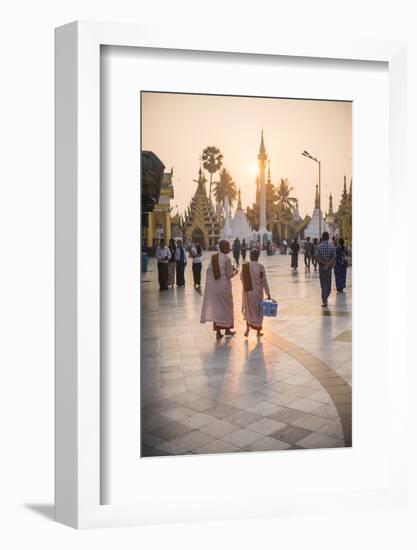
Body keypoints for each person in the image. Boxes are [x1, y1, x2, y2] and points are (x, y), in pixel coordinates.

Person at [200, 240, 238, 339]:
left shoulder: (214, 257)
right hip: (225, 287)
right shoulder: (227, 259)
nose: (229, 248)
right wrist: (236, 272)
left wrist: (213, 281)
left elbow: (209, 270)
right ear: (224, 247)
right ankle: (227, 330)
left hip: (216, 287)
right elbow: (229, 274)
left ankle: (218, 332)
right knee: (227, 308)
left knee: (217, 308)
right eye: (228, 246)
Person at [241, 248, 271, 338]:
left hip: (248, 292)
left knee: (248, 311)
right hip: (258, 293)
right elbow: (264, 281)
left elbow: (242, 278)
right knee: (258, 312)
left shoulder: (246, 266)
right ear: (258, 256)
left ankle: (247, 329)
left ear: (251, 256)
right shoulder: (261, 267)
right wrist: (268, 293)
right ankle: (258, 332)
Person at [315, 231, 336, 307]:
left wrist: (324, 263)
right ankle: (325, 297)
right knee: (328, 282)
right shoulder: (332, 246)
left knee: (323, 283)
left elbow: (317, 257)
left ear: (322, 237)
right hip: (329, 267)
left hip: (321, 267)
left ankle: (324, 299)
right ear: (328, 237)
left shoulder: (318, 246)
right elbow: (334, 256)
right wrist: (328, 264)